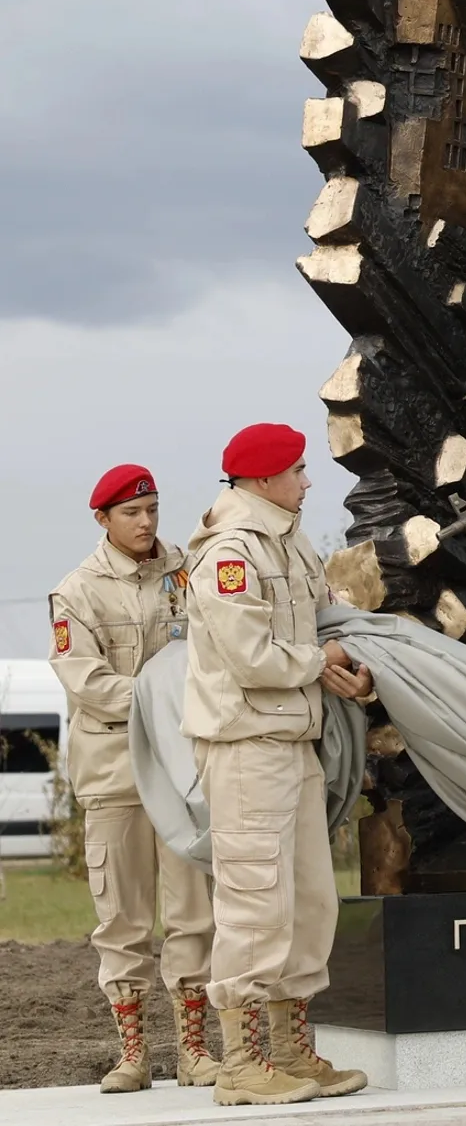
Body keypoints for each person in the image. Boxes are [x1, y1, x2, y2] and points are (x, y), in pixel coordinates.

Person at [182, 424, 372, 1106]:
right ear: (262, 479)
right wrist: (319, 663)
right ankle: (241, 1065)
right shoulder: (229, 553)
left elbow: (320, 619)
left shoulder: (283, 537)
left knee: (308, 901)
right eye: (297, 469)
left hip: (291, 740)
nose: (307, 480)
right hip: (245, 745)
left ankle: (291, 1051)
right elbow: (251, 657)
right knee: (254, 903)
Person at [48, 465, 220, 1093]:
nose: (146, 522)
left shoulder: (186, 570)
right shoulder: (78, 591)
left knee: (192, 912)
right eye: (131, 513)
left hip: (181, 769)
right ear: (103, 520)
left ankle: (195, 1050)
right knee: (121, 919)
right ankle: (133, 1055)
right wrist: (161, 697)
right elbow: (86, 682)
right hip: (115, 771)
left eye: (151, 509)